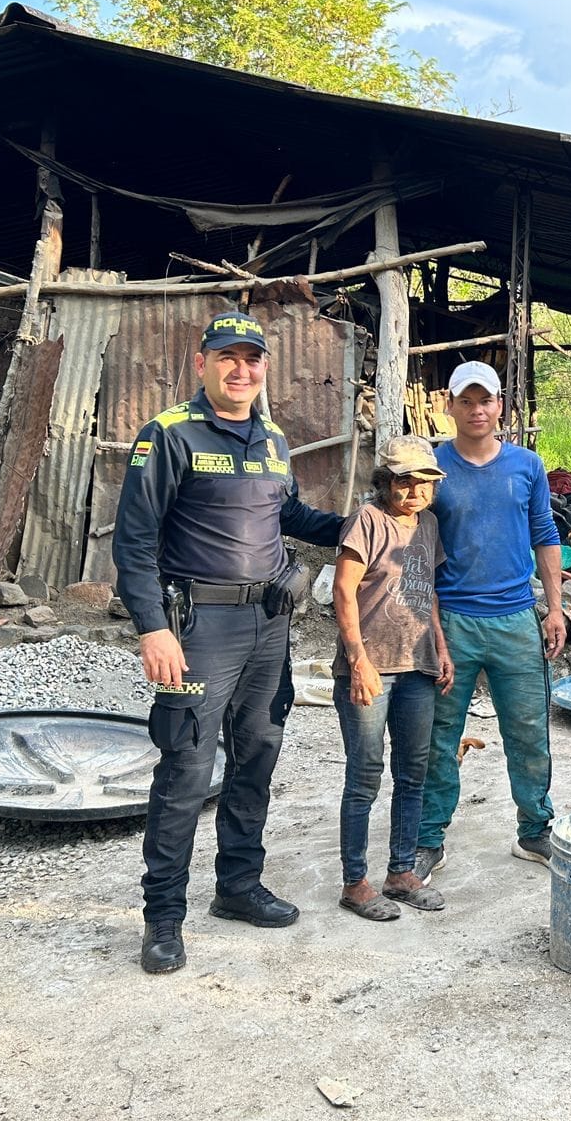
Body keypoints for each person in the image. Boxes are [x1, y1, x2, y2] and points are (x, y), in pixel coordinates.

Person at [113, 311, 344, 975]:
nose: (241, 370)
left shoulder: (273, 438)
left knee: (256, 758)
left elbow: (287, 514)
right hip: (200, 630)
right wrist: (153, 627)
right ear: (202, 364)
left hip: (269, 626)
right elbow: (133, 542)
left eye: (252, 359)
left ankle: (238, 886)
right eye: (227, 358)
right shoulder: (168, 435)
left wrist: (360, 526)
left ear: (264, 368)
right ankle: (163, 918)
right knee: (185, 769)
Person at [413, 360, 566, 881]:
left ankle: (535, 830)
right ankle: (428, 838)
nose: (477, 410)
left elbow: (545, 534)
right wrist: (427, 625)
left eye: (486, 401)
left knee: (529, 730)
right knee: (438, 735)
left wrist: (554, 607)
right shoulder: (432, 467)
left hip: (516, 618)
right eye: (467, 401)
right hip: (452, 621)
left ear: (501, 405)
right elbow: (415, 546)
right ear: (450, 406)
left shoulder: (527, 466)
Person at [331, 435, 452, 921]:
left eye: (424, 483)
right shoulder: (367, 520)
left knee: (412, 772)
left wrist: (441, 647)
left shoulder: (429, 525)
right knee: (364, 775)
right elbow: (343, 591)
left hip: (417, 666)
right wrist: (357, 661)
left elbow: (430, 591)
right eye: (404, 482)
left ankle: (401, 872)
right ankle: (354, 882)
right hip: (371, 668)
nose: (414, 492)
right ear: (385, 482)